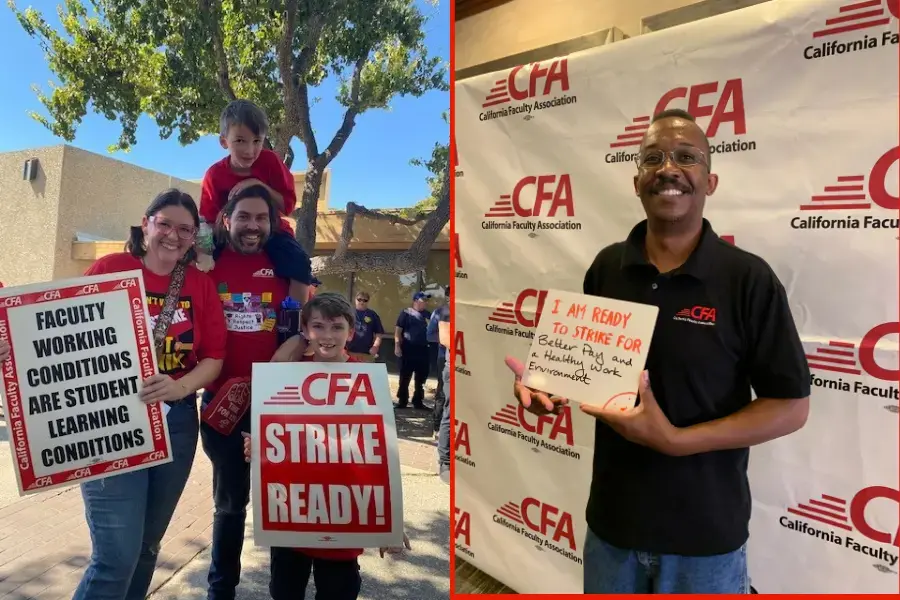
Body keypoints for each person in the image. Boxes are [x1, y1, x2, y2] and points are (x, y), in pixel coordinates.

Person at [506, 109, 810, 594]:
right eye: (653, 158)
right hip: (613, 527)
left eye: (686, 157)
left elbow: (791, 406)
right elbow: (587, 371)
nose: (668, 168)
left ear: (710, 180)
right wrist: (546, 387)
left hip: (705, 539)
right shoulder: (607, 267)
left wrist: (675, 440)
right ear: (636, 181)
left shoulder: (747, 279)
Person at [75, 189, 227, 600]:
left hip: (176, 422)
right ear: (146, 225)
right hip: (110, 420)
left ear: (195, 235)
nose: (173, 235)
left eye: (184, 229)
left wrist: (179, 386)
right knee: (115, 558)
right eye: (165, 224)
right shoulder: (110, 268)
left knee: (146, 548)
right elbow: (62, 329)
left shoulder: (200, 284)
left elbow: (213, 357)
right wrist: (15, 343)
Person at [242, 292, 411, 600]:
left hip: (341, 523)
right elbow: (277, 432)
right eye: (318, 326)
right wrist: (260, 447)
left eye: (337, 327)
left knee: (338, 592)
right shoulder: (287, 376)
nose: (327, 336)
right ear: (305, 330)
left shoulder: (365, 379)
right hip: (292, 518)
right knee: (284, 592)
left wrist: (391, 519)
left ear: (351, 331)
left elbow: (378, 451)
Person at [200, 184, 298, 600]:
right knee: (229, 505)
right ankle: (220, 591)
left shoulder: (286, 265)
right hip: (223, 403)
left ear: (272, 223)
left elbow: (298, 332)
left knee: (281, 503)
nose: (252, 225)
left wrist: (270, 383)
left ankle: (284, 592)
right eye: (244, 216)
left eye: (261, 217)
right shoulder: (208, 263)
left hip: (277, 402)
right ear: (227, 219)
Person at [199, 99, 312, 304]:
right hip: (226, 232)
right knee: (194, 260)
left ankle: (297, 322)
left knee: (300, 262)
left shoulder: (270, 162)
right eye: (240, 141)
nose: (250, 150)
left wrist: (259, 186)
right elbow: (207, 220)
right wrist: (205, 252)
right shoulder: (214, 175)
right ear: (224, 141)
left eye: (257, 141)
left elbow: (286, 206)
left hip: (273, 229)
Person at [394, 292, 431, 409]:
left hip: (423, 350)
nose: (425, 302)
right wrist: (397, 346)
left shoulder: (428, 315)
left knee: (421, 378)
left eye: (426, 301)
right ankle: (402, 401)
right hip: (408, 349)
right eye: (422, 300)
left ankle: (418, 401)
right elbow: (398, 331)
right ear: (415, 301)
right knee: (405, 376)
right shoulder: (406, 313)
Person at [427, 287, 450, 434]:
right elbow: (429, 335)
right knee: (442, 392)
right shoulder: (440, 312)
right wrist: (444, 340)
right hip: (444, 358)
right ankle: (437, 427)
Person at [436, 299, 451, 484]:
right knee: (450, 412)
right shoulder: (448, 309)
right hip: (455, 368)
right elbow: (445, 338)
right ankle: (445, 462)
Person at [346, 290, 384, 362]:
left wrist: (375, 346)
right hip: (349, 351)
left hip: (367, 353)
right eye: (359, 299)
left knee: (367, 373)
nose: (361, 302)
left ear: (368, 301)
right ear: (355, 300)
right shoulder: (348, 313)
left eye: (365, 300)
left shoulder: (372, 315)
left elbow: (379, 333)